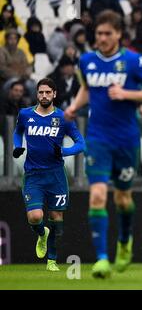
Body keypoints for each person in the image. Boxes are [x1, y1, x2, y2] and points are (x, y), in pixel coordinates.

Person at [64, 10, 142, 279]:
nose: (102, 38)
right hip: (97, 138)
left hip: (127, 139)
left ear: (118, 34)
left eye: (107, 33)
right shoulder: (86, 61)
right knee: (97, 194)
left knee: (122, 199)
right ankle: (102, 259)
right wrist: (73, 107)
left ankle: (125, 240)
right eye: (99, 34)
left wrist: (126, 93)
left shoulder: (132, 61)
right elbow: (87, 88)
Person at [12, 77, 85, 272]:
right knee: (36, 217)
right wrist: (18, 146)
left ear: (54, 94)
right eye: (41, 92)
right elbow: (17, 132)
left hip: (55, 176)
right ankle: (41, 234)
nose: (44, 95)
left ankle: (52, 261)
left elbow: (81, 144)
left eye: (47, 92)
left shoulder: (63, 118)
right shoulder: (26, 114)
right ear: (37, 94)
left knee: (57, 221)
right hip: (33, 174)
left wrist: (63, 151)